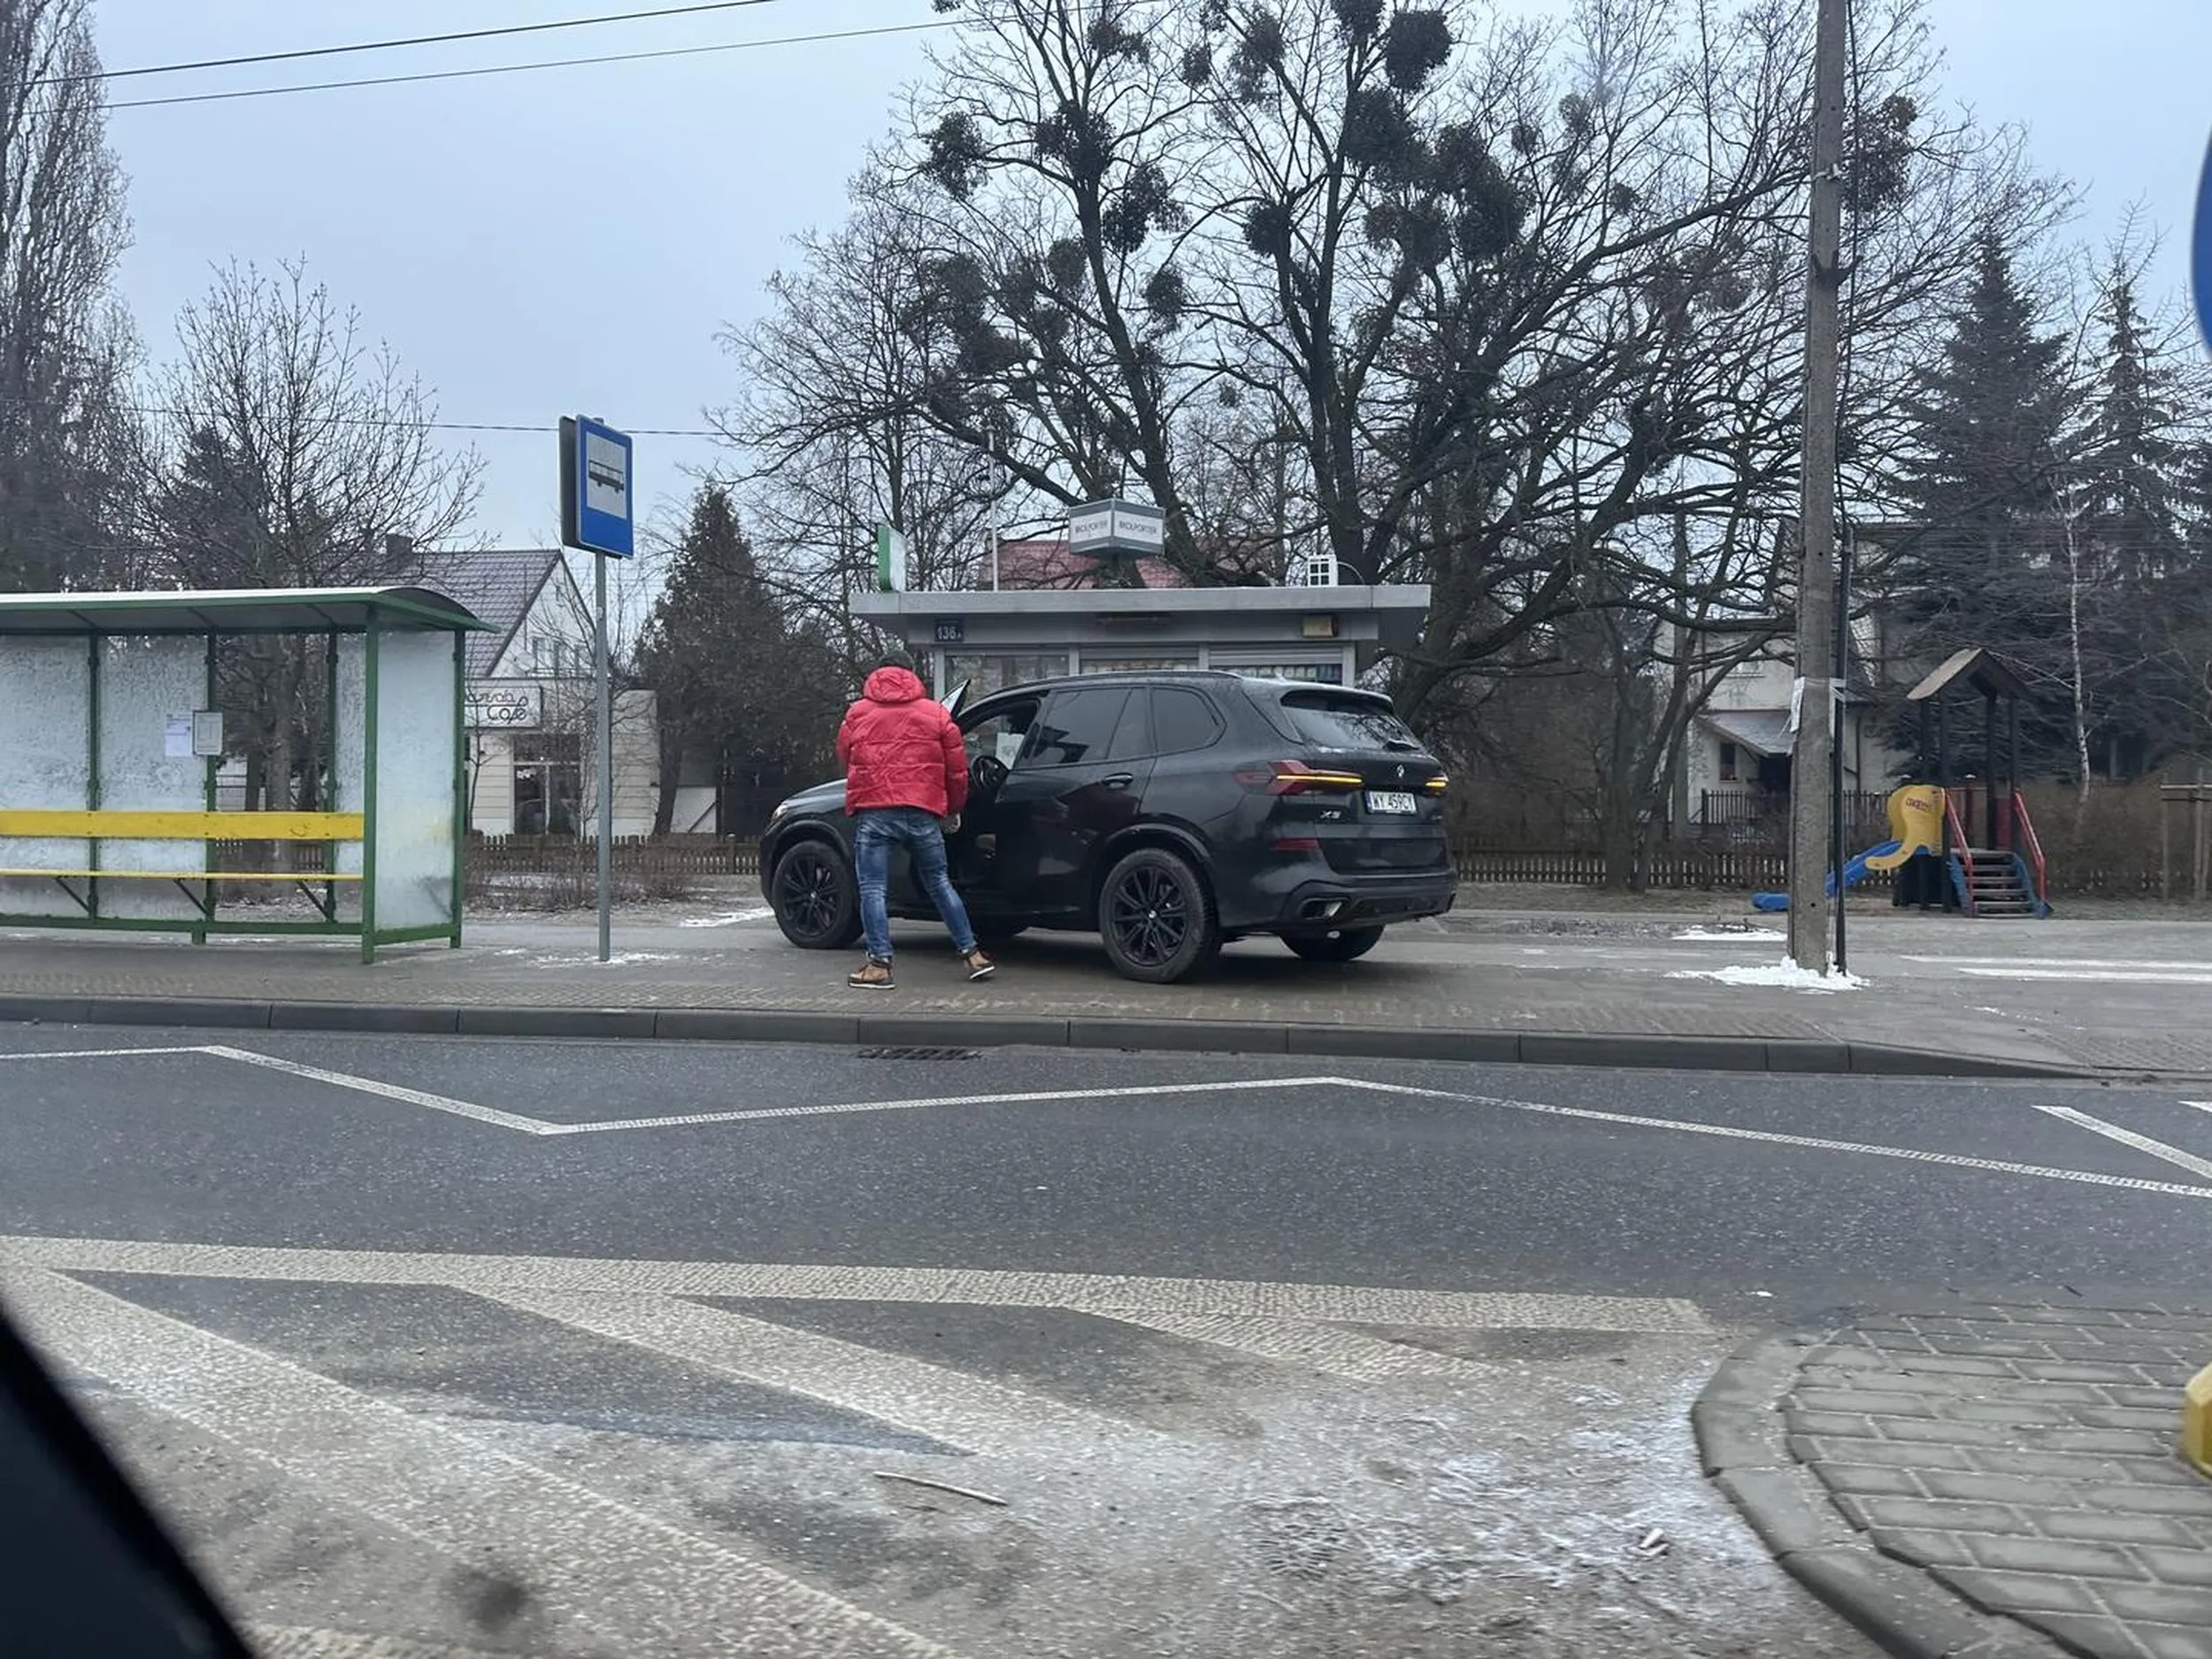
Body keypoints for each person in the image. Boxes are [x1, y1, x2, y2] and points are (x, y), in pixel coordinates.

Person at [835, 656, 996, 989]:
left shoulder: (858, 713)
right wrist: (952, 809)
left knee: (873, 888)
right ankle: (972, 955)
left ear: (878, 673)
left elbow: (845, 756)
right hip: (922, 809)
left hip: (876, 810)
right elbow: (957, 769)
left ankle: (879, 965)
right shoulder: (935, 713)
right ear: (911, 674)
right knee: (939, 882)